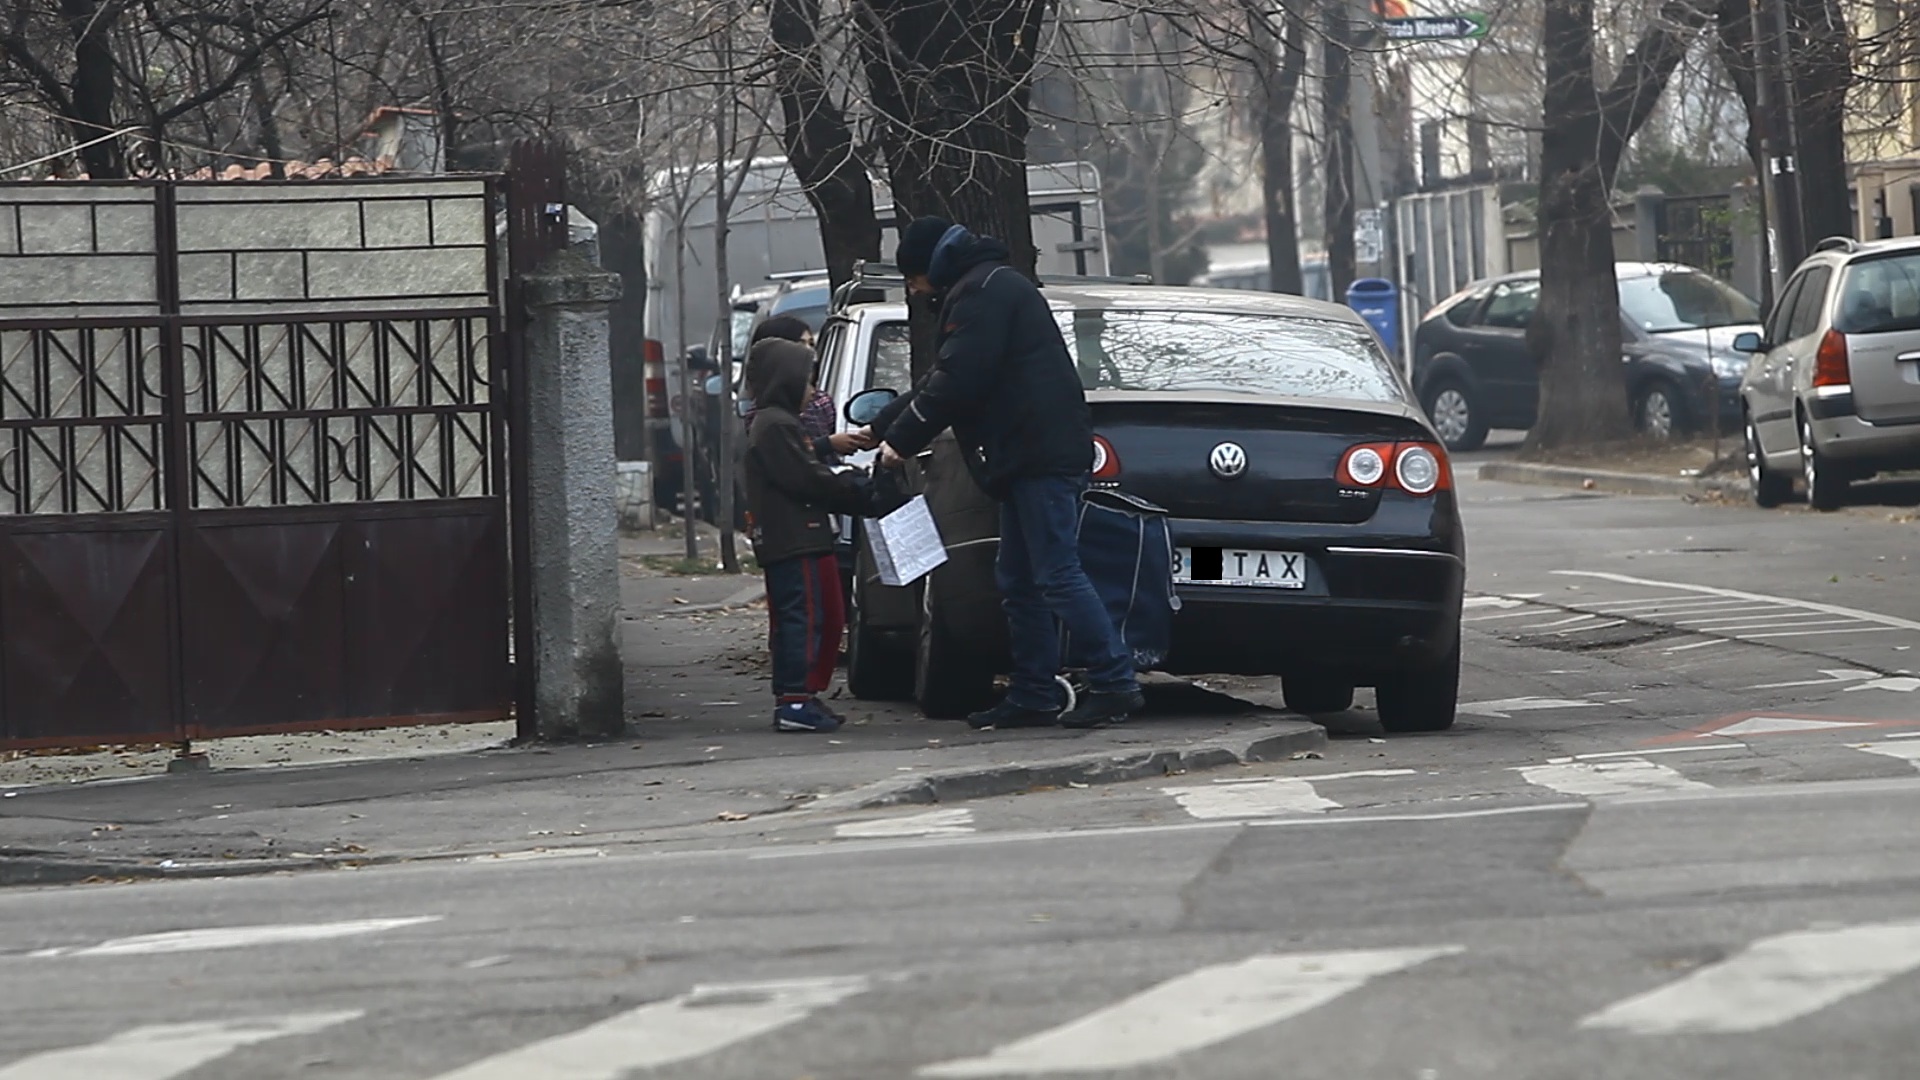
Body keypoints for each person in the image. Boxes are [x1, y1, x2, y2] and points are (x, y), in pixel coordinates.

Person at [869, 216, 1143, 730]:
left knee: (1056, 573)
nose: (913, 289)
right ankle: (1035, 691)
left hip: (1036, 456)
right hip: (1028, 455)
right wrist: (886, 424)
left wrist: (898, 444)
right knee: (1019, 579)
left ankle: (1114, 681)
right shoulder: (990, 285)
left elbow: (958, 381)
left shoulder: (982, 294)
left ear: (930, 266)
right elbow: (947, 374)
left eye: (912, 278)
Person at [742, 336, 873, 733]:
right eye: (807, 383)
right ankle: (794, 700)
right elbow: (805, 479)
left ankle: (804, 696)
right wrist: (857, 486)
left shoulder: (779, 424)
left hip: (801, 535)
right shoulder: (775, 426)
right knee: (802, 617)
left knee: (814, 615)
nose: (814, 393)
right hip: (792, 537)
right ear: (785, 382)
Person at [747, 316, 870, 463]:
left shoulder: (822, 401)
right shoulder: (766, 416)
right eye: (800, 344)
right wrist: (828, 444)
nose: (809, 351)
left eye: (811, 344)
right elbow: (786, 460)